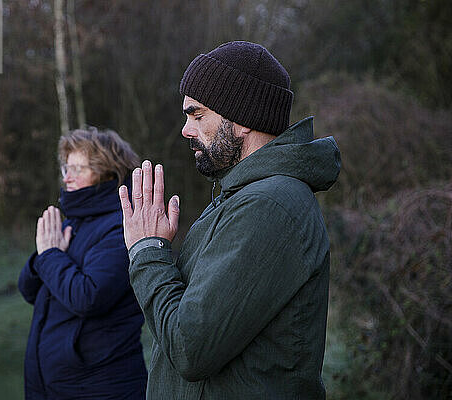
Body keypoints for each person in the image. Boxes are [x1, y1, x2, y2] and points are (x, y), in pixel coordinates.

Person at [119, 41, 341, 399]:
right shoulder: (240, 198)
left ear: (240, 120)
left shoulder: (270, 207)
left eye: (197, 115)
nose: (185, 130)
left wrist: (147, 253)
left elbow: (190, 348)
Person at [18, 127, 147, 399]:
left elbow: (88, 296)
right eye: (66, 168)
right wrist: (43, 257)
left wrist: (50, 256)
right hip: (55, 381)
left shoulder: (121, 226)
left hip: (99, 384)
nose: (67, 178)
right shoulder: (72, 221)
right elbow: (29, 291)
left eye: (78, 169)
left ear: (108, 174)